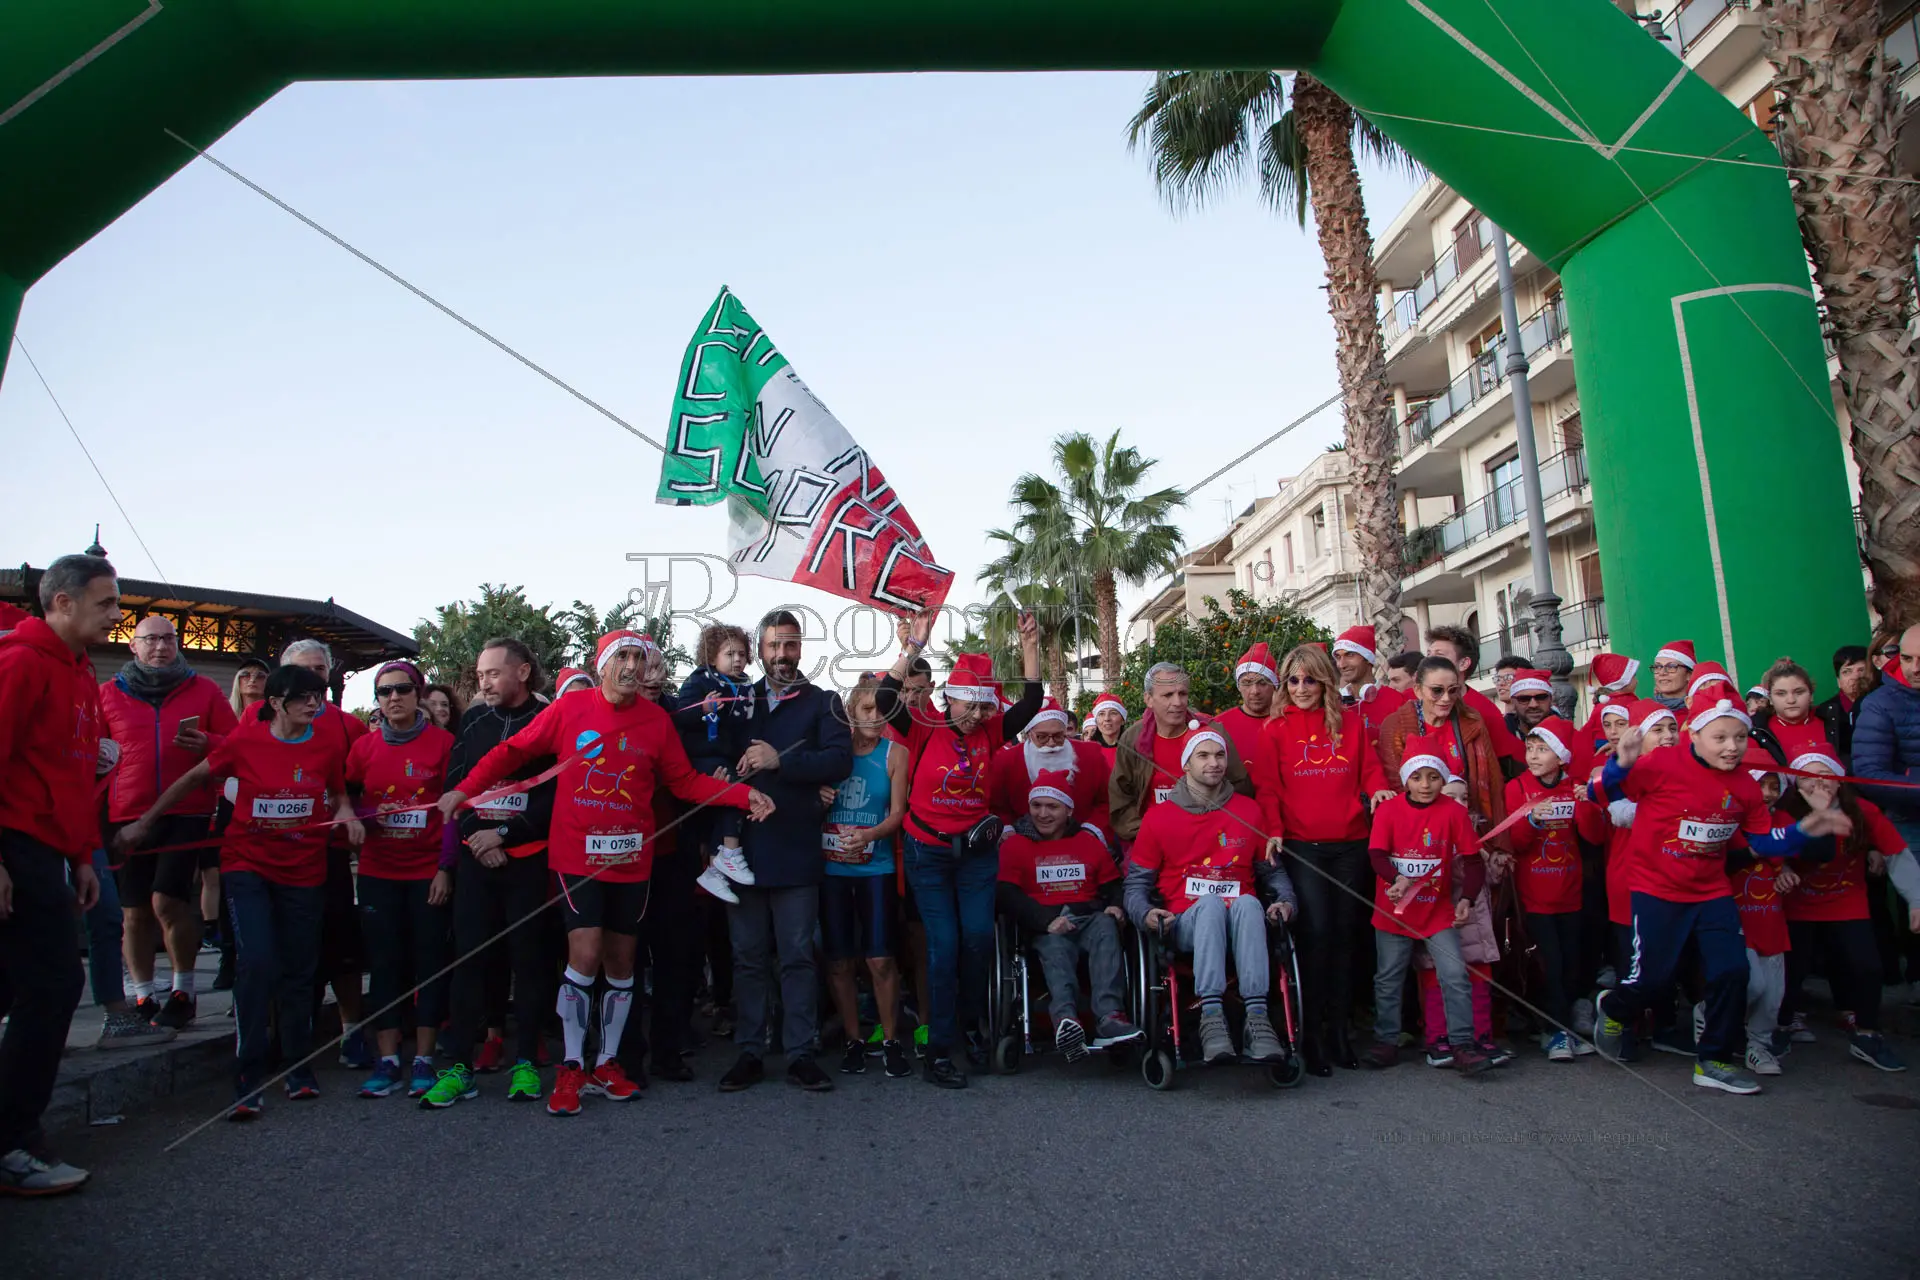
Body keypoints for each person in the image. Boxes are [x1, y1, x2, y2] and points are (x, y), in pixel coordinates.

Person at [441, 630, 770, 1116]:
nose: (633, 666)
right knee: (586, 952)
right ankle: (572, 1066)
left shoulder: (657, 720)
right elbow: (512, 753)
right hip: (577, 857)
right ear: (602, 664)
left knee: (621, 962)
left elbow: (684, 782)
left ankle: (609, 1063)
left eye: (641, 657)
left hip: (631, 858)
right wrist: (464, 790)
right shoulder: (571, 709)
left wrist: (745, 795)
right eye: (624, 657)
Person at [120, 663, 365, 1115]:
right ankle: (248, 1073)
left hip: (304, 871)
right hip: (247, 867)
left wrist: (346, 812)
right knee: (257, 963)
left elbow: (337, 792)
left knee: (298, 969)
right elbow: (194, 778)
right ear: (275, 703)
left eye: (319, 695)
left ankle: (298, 1065)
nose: (315, 703)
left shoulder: (328, 742)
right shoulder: (248, 740)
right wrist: (145, 822)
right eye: (304, 697)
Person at [1590, 692, 1848, 1095]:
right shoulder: (1660, 764)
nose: (1732, 747)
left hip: (1711, 892)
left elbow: (1762, 842)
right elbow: (1600, 795)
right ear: (1694, 735)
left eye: (1740, 738)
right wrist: (1620, 764)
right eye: (1720, 738)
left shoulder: (1745, 787)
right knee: (1652, 982)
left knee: (1733, 972)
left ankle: (1713, 1060)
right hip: (1656, 890)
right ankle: (1612, 1006)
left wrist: (1804, 830)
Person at [876, 609, 1040, 1088]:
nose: (975, 717)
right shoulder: (924, 725)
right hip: (927, 853)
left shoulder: (990, 731)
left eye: (982, 708)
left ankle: (973, 1028)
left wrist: (1029, 645)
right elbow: (887, 696)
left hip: (976, 855)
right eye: (967, 706)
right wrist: (914, 648)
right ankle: (939, 1050)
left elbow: (1030, 704)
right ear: (949, 699)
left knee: (976, 942)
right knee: (943, 948)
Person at [0, 555, 116, 1195]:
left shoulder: (78, 672)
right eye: (104, 603)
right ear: (62, 603)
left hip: (51, 851)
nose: (115, 614)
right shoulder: (20, 663)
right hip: (14, 843)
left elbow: (71, 776)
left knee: (19, 985)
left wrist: (80, 856)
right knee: (52, 985)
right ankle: (15, 1143)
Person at [717, 611, 852, 1094]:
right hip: (742, 851)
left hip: (795, 849)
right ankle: (750, 1051)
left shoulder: (824, 702)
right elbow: (711, 757)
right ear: (760, 648)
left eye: (790, 646)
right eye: (774, 646)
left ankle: (801, 1053)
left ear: (801, 647)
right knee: (748, 957)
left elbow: (839, 759)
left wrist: (783, 760)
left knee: (797, 957)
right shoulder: (737, 699)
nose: (782, 656)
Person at [421, 637, 558, 1108]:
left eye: (493, 673)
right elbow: (456, 787)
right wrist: (481, 836)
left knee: (529, 959)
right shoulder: (475, 720)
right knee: (470, 961)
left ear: (522, 672)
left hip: (528, 857)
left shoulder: (548, 720)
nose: (484, 682)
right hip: (478, 858)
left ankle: (525, 1062)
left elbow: (554, 794)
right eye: (480, 675)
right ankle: (460, 1064)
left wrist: (507, 836)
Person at [1252, 643, 1391, 1074]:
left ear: (1324, 681)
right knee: (1316, 935)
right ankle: (1310, 1036)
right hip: (1302, 845)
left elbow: (1368, 768)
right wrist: (1273, 831)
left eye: (1309, 679)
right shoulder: (1274, 728)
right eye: (1293, 680)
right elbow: (1269, 788)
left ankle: (1339, 1033)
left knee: (1347, 937)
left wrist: (1381, 789)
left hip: (1351, 843)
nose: (1300, 688)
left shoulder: (1350, 722)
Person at [97, 613, 239, 1031]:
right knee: (134, 912)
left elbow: (236, 745)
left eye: (168, 639)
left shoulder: (204, 690)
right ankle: (142, 995)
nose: (160, 647)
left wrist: (209, 743)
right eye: (151, 639)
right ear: (133, 646)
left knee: (168, 901)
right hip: (124, 814)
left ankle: (183, 991)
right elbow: (92, 751)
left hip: (186, 811)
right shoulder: (107, 693)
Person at [1126, 731, 1294, 1065]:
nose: (1214, 763)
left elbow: (1273, 874)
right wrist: (1145, 913)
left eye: (1219, 755)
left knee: (1248, 902)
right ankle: (1211, 1018)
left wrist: (1287, 901)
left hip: (1242, 918)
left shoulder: (1250, 812)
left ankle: (1257, 1019)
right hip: (1188, 920)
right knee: (1211, 905)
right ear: (1186, 764)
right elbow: (1135, 884)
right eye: (1203, 756)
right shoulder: (1158, 817)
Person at [345, 661, 454, 1099]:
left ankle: (425, 1059)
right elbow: (347, 798)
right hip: (378, 871)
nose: (394, 698)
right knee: (385, 965)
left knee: (429, 963)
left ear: (418, 694)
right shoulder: (363, 748)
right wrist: (364, 817)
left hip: (427, 872)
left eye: (403, 690)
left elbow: (454, 811)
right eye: (385, 692)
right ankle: (388, 1059)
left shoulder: (445, 744)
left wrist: (446, 868)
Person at [1361, 732, 1489, 1075]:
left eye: (1434, 777)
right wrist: (1394, 879)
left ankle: (1462, 1043)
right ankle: (1387, 1040)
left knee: (1455, 975)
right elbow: (1376, 854)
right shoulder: (1388, 811)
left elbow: (1473, 861)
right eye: (1416, 777)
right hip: (1394, 912)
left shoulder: (1452, 812)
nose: (1426, 785)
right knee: (1388, 977)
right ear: (1405, 779)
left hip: (1437, 912)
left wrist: (1466, 900)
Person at [1776, 748, 1908, 1072]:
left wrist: (1917, 901)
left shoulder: (1861, 811)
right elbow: (1767, 847)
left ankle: (1866, 1034)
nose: (1817, 785)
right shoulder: (1786, 812)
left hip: (1847, 900)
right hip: (1798, 904)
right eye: (1807, 779)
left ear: (1839, 781)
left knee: (1867, 966)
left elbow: (1898, 854)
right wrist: (1780, 871)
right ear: (1795, 784)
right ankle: (1779, 1028)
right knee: (1791, 971)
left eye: (1825, 777)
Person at [276, 639, 373, 1069]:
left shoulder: (349, 726)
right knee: (292, 953)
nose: (313, 679)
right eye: (303, 671)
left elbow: (363, 787)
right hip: (277, 859)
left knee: (342, 950)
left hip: (330, 854)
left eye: (320, 670)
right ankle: (294, 1039)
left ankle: (352, 1032)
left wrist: (355, 818)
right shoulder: (260, 721)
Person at [997, 771, 1141, 1059]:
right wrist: (1045, 921)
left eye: (1052, 807)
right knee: (1056, 946)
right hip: (1044, 923)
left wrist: (1115, 904)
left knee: (1106, 925)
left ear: (1069, 810)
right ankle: (1066, 1020)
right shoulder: (1015, 844)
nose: (1043, 814)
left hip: (1088, 917)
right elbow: (1006, 895)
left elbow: (1113, 885)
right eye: (1036, 806)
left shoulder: (1088, 842)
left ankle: (1110, 1017)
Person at [822, 675, 911, 1078]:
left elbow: (897, 814)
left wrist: (869, 835)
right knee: (840, 961)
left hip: (875, 867)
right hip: (831, 869)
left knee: (880, 959)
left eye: (881, 709)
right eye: (867, 710)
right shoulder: (832, 753)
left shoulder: (896, 753)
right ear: (852, 714)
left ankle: (891, 1042)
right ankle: (854, 1040)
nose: (876, 718)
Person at [1503, 716, 1605, 1060]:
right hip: (1535, 895)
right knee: (1550, 963)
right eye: (1530, 748)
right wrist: (1532, 820)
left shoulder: (1574, 786)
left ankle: (1564, 1028)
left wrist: (1587, 802)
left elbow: (1594, 836)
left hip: (1571, 892)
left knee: (1572, 963)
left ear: (1560, 757)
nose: (1532, 755)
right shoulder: (1517, 787)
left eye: (1542, 749)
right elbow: (1514, 842)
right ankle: (1554, 1031)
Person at [1109, 662, 1255, 845]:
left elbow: (1240, 787)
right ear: (1148, 699)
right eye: (1168, 695)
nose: (1177, 702)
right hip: (1153, 839)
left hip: (1211, 838)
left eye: (1182, 694)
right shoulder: (1133, 739)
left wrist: (1217, 829)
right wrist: (1147, 834)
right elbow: (1120, 798)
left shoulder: (1212, 732)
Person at [669, 623, 758, 905]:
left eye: (742, 654)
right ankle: (730, 852)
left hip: (729, 757)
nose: (738, 660)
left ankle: (715, 871)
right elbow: (679, 715)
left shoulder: (746, 687)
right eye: (730, 654)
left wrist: (748, 751)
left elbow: (746, 727)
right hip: (701, 758)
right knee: (733, 793)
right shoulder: (700, 680)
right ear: (712, 656)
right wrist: (703, 709)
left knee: (730, 799)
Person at [987, 698, 1114, 848]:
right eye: (1042, 737)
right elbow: (997, 806)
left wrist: (1092, 829)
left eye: (1059, 736)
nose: (1051, 743)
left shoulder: (1091, 755)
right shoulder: (1006, 761)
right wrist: (1007, 829)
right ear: (1029, 733)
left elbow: (1108, 801)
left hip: (1082, 842)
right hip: (1025, 846)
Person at [1850, 621, 1920, 856]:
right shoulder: (1879, 704)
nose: (1915, 668)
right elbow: (1869, 773)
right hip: (1911, 822)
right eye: (1907, 658)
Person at [1420, 626, 1524, 764]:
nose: (1429, 661)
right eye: (1429, 654)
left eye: (1439, 655)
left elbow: (1504, 761)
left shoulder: (1485, 710)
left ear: (1464, 663)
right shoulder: (1409, 701)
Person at [1331, 624, 1408, 743]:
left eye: (1350, 655)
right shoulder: (1334, 704)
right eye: (1338, 657)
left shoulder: (1397, 701)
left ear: (1368, 658)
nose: (1342, 664)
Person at [1213, 642, 1278, 763]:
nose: (1255, 691)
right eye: (1247, 683)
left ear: (1274, 685)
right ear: (1239, 686)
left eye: (1262, 683)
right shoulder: (1219, 727)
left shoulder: (1288, 723)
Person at [1817, 645, 1875, 766]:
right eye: (1847, 672)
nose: (1855, 677)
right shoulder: (1823, 713)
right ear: (1838, 680)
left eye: (1861, 670)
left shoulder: (1884, 704)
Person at [1579, 652, 1640, 747]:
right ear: (1623, 681)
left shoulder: (1601, 704)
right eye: (1633, 676)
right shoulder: (1625, 702)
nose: (1636, 681)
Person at [1649, 639, 1696, 711]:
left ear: (1689, 674)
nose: (1662, 673)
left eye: (1671, 667)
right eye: (1658, 667)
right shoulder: (1643, 711)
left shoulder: (1702, 712)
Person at [1491, 654, 1530, 730]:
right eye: (1498, 679)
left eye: (1508, 678)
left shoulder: (1536, 721)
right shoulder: (1497, 725)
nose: (1501, 683)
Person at [1087, 693, 1127, 760]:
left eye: (1113, 713)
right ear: (1096, 721)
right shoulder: (1088, 751)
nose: (1107, 718)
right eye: (1101, 714)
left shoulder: (1133, 749)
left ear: (1123, 720)